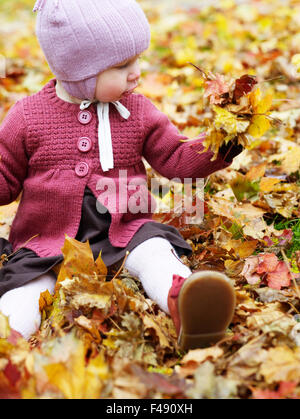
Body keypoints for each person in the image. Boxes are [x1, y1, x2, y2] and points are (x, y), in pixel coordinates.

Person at [0, 0, 242, 349]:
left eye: (138, 59)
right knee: (27, 290)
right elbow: (5, 178)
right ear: (79, 71)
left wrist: (222, 143)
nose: (136, 73)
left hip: (125, 233)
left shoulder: (138, 111)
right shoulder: (27, 117)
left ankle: (187, 303)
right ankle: (9, 336)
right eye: (122, 65)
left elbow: (174, 158)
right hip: (47, 244)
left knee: (156, 252)